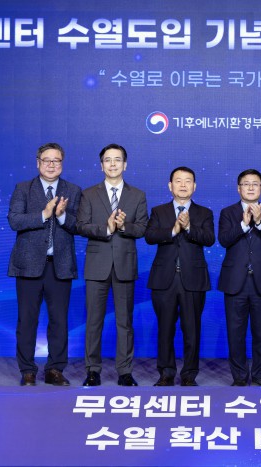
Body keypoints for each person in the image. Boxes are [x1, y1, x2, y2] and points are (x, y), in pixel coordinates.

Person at [8, 142, 81, 386]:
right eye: (47, 160)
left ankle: (55, 370)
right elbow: (14, 221)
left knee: (59, 321)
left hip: (60, 266)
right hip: (28, 266)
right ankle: (27, 370)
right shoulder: (23, 189)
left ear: (62, 164)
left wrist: (61, 216)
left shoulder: (73, 190)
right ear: (38, 163)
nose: (51, 165)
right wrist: (44, 214)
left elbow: (78, 225)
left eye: (56, 160)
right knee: (27, 320)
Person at [76, 144, 148, 386]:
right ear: (101, 165)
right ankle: (92, 370)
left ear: (125, 164)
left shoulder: (137, 195)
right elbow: (81, 226)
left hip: (125, 265)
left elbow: (143, 228)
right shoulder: (89, 194)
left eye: (118, 159)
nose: (113, 164)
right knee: (93, 321)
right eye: (108, 160)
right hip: (97, 265)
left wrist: (124, 226)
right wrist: (107, 228)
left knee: (124, 322)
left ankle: (125, 371)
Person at [145, 167, 215, 386]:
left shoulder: (204, 213)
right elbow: (150, 236)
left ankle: (189, 374)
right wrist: (174, 230)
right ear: (170, 186)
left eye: (188, 181)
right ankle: (166, 373)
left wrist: (190, 227)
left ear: (195, 186)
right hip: (164, 279)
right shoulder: (159, 211)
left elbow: (209, 239)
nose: (183, 185)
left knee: (192, 329)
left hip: (193, 279)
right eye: (178, 181)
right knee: (165, 328)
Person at [218, 169, 261, 387]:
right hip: (235, 282)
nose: (251, 187)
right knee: (235, 333)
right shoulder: (228, 213)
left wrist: (259, 221)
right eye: (246, 184)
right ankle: (239, 376)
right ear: (239, 188)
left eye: (255, 184)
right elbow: (224, 240)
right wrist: (244, 225)